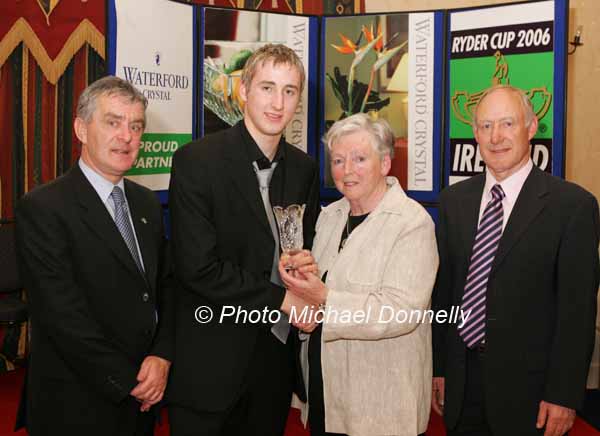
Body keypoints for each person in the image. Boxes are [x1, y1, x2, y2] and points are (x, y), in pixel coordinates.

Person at [167, 44, 320, 436]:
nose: (278, 102)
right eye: (267, 87)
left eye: (289, 91)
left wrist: (307, 275)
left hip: (273, 364)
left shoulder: (303, 169)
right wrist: (284, 300)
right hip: (211, 363)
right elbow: (197, 268)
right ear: (243, 91)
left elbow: (302, 249)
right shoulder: (196, 161)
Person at [431, 84, 600, 435]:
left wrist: (564, 395)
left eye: (508, 123)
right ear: (475, 133)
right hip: (463, 388)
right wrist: (441, 368)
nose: (496, 137)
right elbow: (446, 293)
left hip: (532, 397)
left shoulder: (573, 207)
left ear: (532, 127)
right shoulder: (453, 202)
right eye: (486, 126)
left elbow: (577, 312)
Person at [15, 76, 174, 435]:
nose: (127, 136)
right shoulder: (44, 207)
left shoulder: (146, 202)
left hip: (144, 393)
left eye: (136, 126)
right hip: (78, 401)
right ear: (81, 129)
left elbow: (164, 287)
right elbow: (62, 315)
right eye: (113, 122)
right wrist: (129, 381)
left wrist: (162, 357)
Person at [279, 113, 439, 436]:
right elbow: (320, 298)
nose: (347, 170)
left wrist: (323, 298)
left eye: (359, 158)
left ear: (385, 164)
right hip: (327, 398)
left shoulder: (412, 223)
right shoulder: (330, 216)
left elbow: (400, 311)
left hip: (381, 408)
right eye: (338, 160)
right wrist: (303, 294)